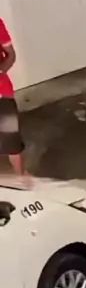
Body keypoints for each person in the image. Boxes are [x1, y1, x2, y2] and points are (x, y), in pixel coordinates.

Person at [0, 18, 28, 175]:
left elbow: (11, 55)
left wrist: (1, 71)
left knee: (12, 145)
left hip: (2, 95)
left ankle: (21, 177)